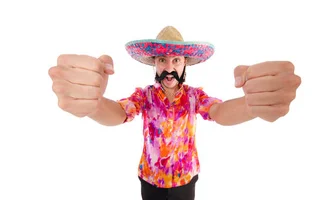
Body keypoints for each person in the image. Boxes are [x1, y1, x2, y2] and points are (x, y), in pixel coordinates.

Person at [48, 26, 302, 200]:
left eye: (176, 60)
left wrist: (250, 107)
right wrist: (94, 105)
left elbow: (220, 112)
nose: (169, 67)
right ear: (155, 64)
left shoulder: (194, 97)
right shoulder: (144, 96)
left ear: (184, 65)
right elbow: (118, 114)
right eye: (162, 60)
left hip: (185, 183)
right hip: (150, 182)